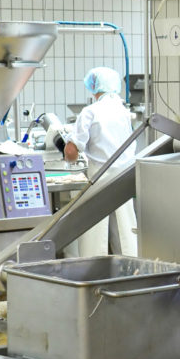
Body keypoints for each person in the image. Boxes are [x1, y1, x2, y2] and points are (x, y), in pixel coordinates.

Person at [64, 67, 137, 256]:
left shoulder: (90, 112)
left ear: (93, 86)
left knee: (95, 234)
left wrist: (67, 155)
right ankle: (131, 274)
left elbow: (72, 151)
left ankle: (94, 273)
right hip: (125, 177)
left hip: (99, 178)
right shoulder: (123, 112)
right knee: (125, 233)